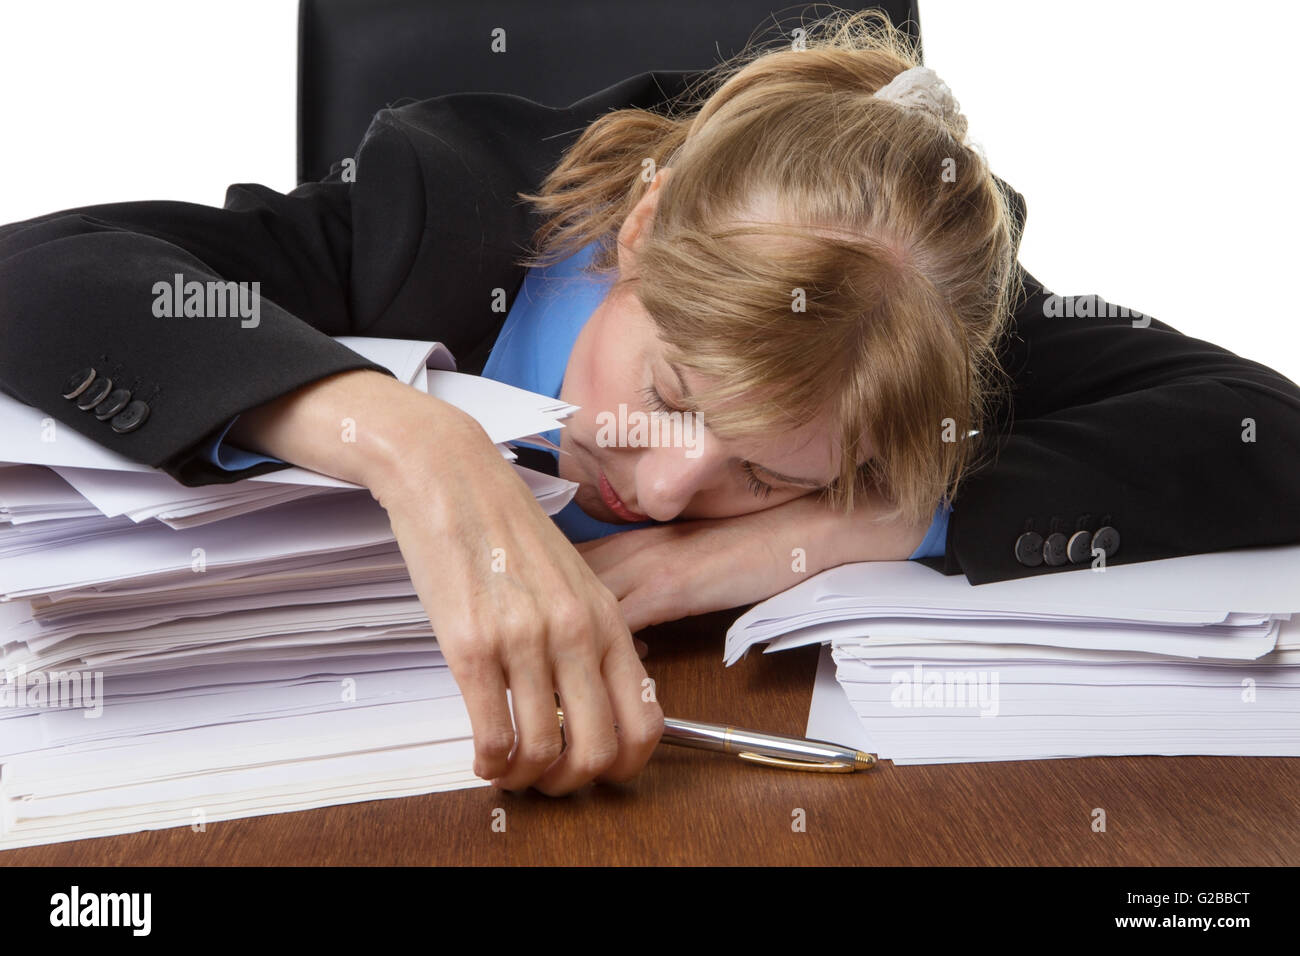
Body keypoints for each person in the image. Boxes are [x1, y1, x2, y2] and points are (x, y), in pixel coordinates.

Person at [2, 9, 1298, 797]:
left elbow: (1261, 424)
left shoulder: (908, 341)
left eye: (773, 470)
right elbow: (38, 277)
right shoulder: (422, 221)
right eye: (669, 391)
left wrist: (829, 533)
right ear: (645, 221)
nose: (670, 487)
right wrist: (412, 439)